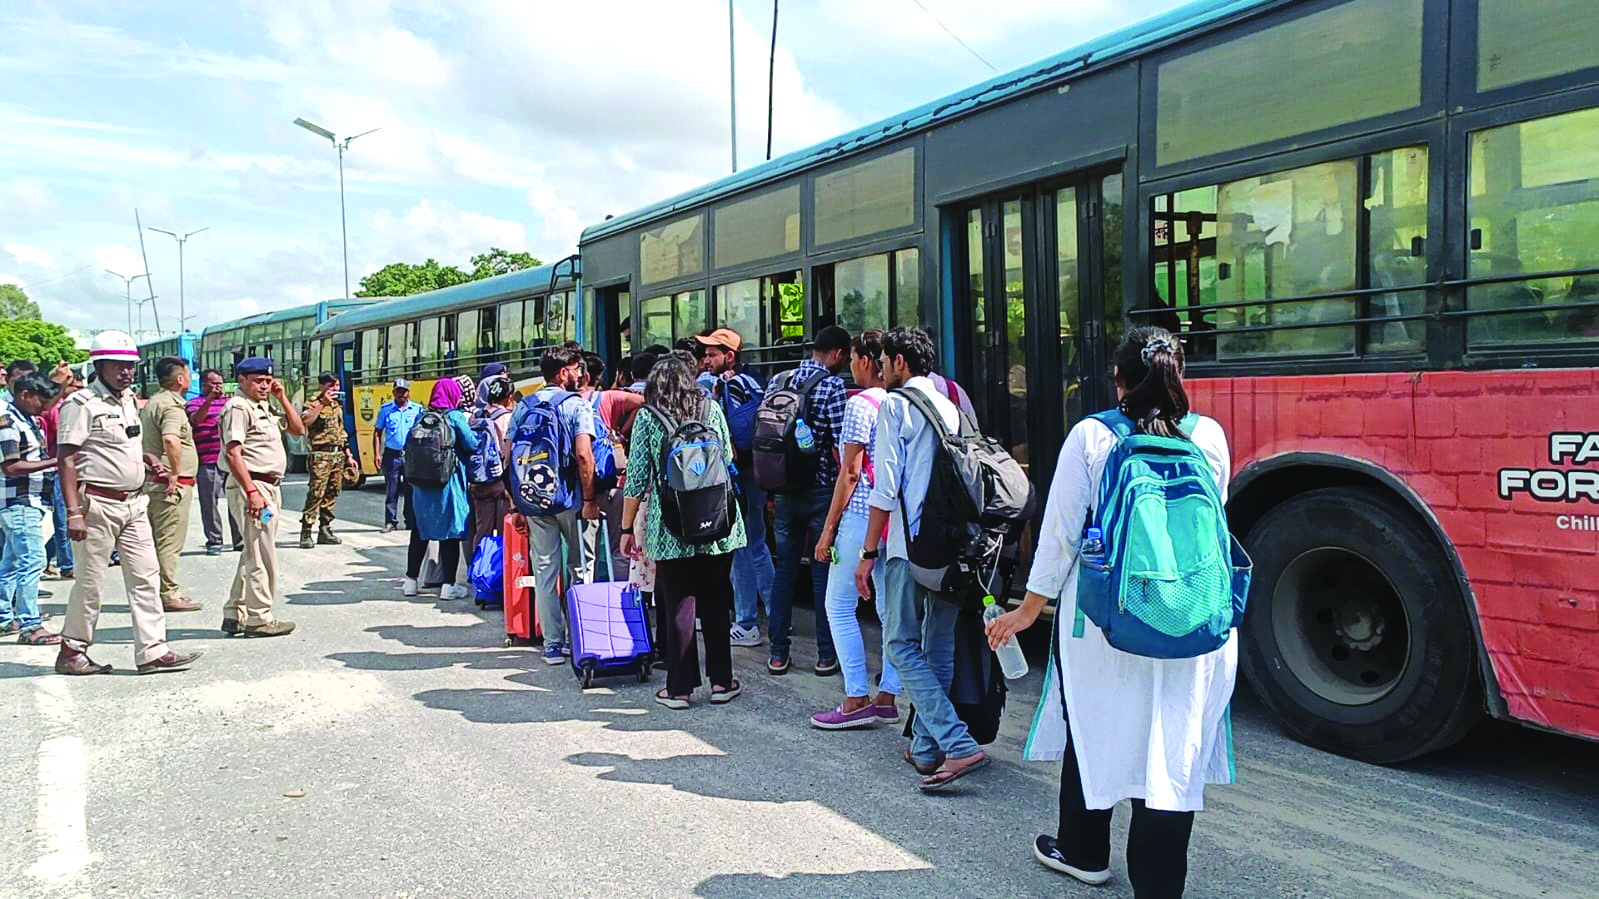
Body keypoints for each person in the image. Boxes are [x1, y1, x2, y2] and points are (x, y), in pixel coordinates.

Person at [985, 328, 1233, 895]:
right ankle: (1159, 882)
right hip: (1194, 618)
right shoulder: (1210, 437)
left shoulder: (1092, 436)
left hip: (1105, 621)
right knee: (1173, 741)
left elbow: (1061, 535)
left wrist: (1027, 611)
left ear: (1117, 379)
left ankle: (1084, 849)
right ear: (1179, 377)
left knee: (1093, 727)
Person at [854, 326, 988, 791]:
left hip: (909, 546)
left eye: (885, 361)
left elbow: (885, 487)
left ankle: (957, 743)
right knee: (939, 645)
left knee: (899, 644)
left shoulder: (895, 405)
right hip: (953, 544)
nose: (881, 368)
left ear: (899, 362)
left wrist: (867, 551)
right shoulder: (949, 403)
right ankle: (929, 750)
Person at [54, 331, 203, 674]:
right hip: (97, 504)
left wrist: (150, 460)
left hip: (134, 503)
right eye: (118, 366)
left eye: (130, 366)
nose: (126, 372)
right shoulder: (81, 405)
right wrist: (73, 512)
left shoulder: (128, 400)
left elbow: (126, 444)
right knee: (91, 582)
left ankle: (152, 650)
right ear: (100, 365)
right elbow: (67, 459)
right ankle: (72, 650)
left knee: (146, 576)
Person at [619, 353, 745, 709]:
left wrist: (626, 527)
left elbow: (637, 478)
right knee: (718, 600)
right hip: (719, 520)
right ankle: (722, 682)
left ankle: (679, 688)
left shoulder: (648, 417)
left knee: (679, 604)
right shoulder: (710, 409)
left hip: (670, 525)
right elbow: (729, 457)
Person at [811, 329, 901, 728]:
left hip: (862, 516)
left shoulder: (860, 405)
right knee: (888, 608)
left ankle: (855, 697)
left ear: (865, 360)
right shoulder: (901, 401)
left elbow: (849, 474)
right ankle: (888, 695)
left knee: (839, 605)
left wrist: (828, 529)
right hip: (894, 519)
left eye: (853, 360)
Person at [766, 325, 849, 677]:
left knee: (784, 570)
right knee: (821, 573)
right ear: (839, 355)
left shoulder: (779, 380)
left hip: (784, 489)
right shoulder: (833, 386)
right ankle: (825, 656)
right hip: (820, 491)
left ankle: (778, 654)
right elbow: (842, 443)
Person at [510, 346, 600, 663]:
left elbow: (510, 453)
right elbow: (584, 455)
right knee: (580, 569)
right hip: (572, 499)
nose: (582, 374)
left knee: (545, 571)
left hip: (534, 499)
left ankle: (552, 644)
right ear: (563, 373)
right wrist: (590, 500)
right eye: (578, 369)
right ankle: (581, 640)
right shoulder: (577, 406)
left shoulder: (524, 406)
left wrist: (516, 504)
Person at [693, 328, 773, 649]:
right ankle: (777, 613)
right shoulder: (755, 382)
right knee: (757, 545)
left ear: (730, 356)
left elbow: (728, 437)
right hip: (760, 472)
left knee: (740, 547)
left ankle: (746, 622)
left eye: (713, 354)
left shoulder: (725, 385)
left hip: (738, 477)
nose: (706, 359)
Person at [220, 357, 307, 638]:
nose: (264, 385)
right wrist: (252, 492)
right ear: (242, 380)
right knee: (262, 554)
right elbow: (233, 453)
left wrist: (282, 398)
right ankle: (259, 617)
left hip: (268, 487)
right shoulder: (237, 407)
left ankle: (235, 611)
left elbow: (298, 430)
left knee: (254, 549)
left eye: (268, 381)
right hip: (254, 487)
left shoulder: (263, 406)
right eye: (257, 381)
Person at [402, 378, 479, 601]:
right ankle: (448, 586)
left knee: (419, 532)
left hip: (420, 486)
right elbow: (472, 444)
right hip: (448, 483)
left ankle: (410, 582)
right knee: (450, 533)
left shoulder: (421, 416)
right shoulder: (453, 417)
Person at [1, 374, 63, 644]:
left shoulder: (26, 420)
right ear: (24, 394)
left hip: (27, 502)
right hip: (19, 502)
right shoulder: (9, 424)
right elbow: (11, 466)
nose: (45, 407)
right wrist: (53, 463)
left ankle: (5, 617)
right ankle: (30, 625)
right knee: (31, 562)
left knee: (12, 564)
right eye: (41, 400)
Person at [138, 356, 202, 613]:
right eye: (188, 373)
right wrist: (175, 472)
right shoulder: (171, 406)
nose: (190, 378)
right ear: (179, 379)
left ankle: (157, 592)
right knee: (168, 542)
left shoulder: (155, 401)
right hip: (170, 485)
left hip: (155, 482)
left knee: (157, 540)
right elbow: (171, 440)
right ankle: (168, 593)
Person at [298, 373, 353, 549]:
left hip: (337, 454)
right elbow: (305, 421)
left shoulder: (337, 405)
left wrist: (348, 454)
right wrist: (322, 404)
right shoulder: (313, 402)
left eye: (337, 386)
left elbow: (341, 431)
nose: (335, 389)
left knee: (332, 493)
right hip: (321, 455)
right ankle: (306, 530)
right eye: (331, 386)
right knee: (316, 493)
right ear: (322, 386)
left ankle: (325, 528)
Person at [187, 369, 235, 555]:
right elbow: (196, 420)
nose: (218, 387)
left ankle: (239, 539)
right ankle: (214, 540)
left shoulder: (229, 403)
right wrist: (209, 401)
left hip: (229, 459)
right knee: (209, 503)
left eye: (220, 383)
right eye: (214, 383)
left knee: (235, 500)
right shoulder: (194, 404)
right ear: (204, 385)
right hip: (207, 459)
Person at [468, 374, 516, 549]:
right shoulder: (507, 418)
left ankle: (479, 571)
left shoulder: (476, 416)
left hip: (479, 481)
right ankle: (502, 572)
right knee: (505, 531)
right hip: (500, 483)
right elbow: (509, 453)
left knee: (482, 531)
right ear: (508, 397)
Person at [41, 363, 78, 579]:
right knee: (63, 518)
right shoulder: (56, 408)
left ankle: (56, 560)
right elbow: (61, 430)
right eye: (70, 382)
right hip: (55, 467)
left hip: (60, 466)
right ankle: (67, 564)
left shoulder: (64, 404)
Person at [373, 379, 420, 532]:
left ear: (408, 393)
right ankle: (390, 521)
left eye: (404, 391)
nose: (401, 394)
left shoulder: (417, 410)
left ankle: (410, 521)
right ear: (393, 393)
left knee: (410, 490)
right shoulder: (386, 410)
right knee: (391, 490)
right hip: (392, 455)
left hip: (411, 455)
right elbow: (377, 432)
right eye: (398, 391)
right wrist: (377, 454)